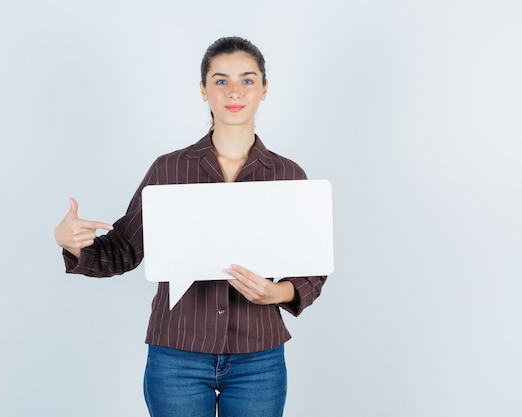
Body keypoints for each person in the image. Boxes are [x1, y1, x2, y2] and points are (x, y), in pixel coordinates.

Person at [54, 36, 327, 417]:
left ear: (264, 89)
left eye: (247, 80)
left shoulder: (288, 175)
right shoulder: (169, 169)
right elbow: (126, 250)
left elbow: (313, 265)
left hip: (259, 360)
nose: (234, 91)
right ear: (203, 90)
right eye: (220, 80)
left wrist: (278, 292)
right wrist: (73, 244)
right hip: (176, 357)